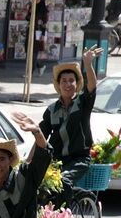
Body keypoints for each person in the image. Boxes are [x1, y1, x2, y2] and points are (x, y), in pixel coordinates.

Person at [38, 45, 103, 207]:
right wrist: (30, 160)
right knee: (38, 185)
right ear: (58, 85)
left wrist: (87, 63)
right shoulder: (51, 110)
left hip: (79, 158)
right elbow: (41, 136)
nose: (68, 84)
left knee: (63, 181)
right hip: (56, 160)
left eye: (71, 81)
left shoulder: (82, 103)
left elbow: (92, 86)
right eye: (64, 81)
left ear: (76, 84)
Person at [26, 0, 49, 76]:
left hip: (38, 32)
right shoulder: (32, 6)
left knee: (34, 51)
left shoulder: (43, 9)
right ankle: (40, 66)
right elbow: (27, 18)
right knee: (28, 50)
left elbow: (44, 23)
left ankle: (30, 72)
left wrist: (43, 34)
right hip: (30, 30)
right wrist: (30, 12)